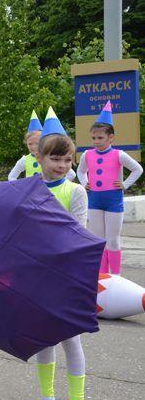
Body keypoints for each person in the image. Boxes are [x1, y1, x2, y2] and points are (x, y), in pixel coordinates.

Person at [31, 109, 89, 400]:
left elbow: (77, 234)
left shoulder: (75, 191)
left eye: (67, 160)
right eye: (56, 159)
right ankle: (47, 399)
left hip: (65, 277)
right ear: (40, 158)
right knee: (44, 341)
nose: (63, 166)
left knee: (71, 341)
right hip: (37, 278)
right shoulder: (29, 188)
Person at [76, 102, 142, 276]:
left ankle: (116, 276)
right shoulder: (87, 155)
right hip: (95, 200)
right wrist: (85, 182)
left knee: (112, 241)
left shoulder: (119, 154)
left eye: (100, 138)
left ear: (110, 137)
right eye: (94, 138)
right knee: (99, 240)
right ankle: (103, 276)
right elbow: (80, 171)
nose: (96, 142)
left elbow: (138, 169)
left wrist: (125, 185)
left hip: (113, 200)